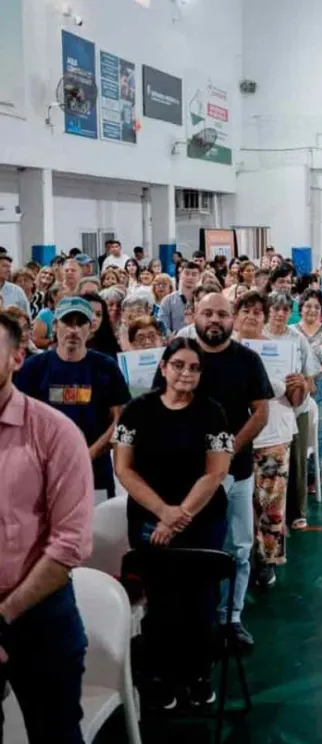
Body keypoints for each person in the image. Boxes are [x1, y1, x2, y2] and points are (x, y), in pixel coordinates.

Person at [113, 338, 233, 709]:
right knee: (161, 598)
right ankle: (161, 675)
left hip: (201, 519)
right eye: (179, 365)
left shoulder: (213, 413)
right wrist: (163, 512)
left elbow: (216, 473)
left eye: (194, 368)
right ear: (163, 368)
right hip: (151, 519)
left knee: (199, 600)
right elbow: (124, 468)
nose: (186, 373)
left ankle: (197, 673)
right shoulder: (137, 411)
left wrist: (179, 515)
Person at [0, 314, 93, 743]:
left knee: (53, 733)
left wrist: (4, 616)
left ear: (18, 357)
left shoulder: (55, 433)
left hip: (39, 617)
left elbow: (70, 544)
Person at [178, 293, 274, 647]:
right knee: (196, 546)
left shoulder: (247, 360)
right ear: (195, 316)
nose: (214, 320)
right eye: (207, 313)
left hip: (238, 472)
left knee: (239, 545)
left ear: (231, 317)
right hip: (191, 473)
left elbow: (260, 412)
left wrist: (229, 450)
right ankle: (197, 618)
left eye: (221, 313)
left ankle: (231, 617)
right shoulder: (182, 356)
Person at [17, 296, 131, 501]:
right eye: (68, 322)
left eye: (81, 324)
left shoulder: (106, 367)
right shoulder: (33, 368)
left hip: (94, 474)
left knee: (95, 530)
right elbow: (18, 419)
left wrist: (89, 454)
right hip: (43, 472)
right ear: (55, 325)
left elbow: (121, 419)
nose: (74, 330)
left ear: (91, 328)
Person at [236, 292, 303, 585]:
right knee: (240, 505)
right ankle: (241, 558)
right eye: (245, 311)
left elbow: (295, 400)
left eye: (257, 312)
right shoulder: (224, 351)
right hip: (235, 438)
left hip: (272, 436)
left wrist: (298, 386)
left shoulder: (281, 351)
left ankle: (267, 559)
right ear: (235, 316)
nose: (251, 316)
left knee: (271, 504)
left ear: (264, 318)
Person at [264, 292, 322, 530]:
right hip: (266, 410)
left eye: (285, 310)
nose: (280, 314)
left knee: (297, 460)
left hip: (296, 407)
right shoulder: (258, 337)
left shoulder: (297, 339)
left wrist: (299, 386)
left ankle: (297, 511)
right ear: (269, 310)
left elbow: (311, 380)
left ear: (290, 313)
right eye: (275, 309)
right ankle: (269, 511)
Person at [292, 288, 322, 471]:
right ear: (301, 308)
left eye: (316, 307)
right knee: (298, 429)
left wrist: (315, 373)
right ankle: (298, 469)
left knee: (320, 430)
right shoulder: (292, 332)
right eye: (308, 306)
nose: (312, 310)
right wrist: (306, 377)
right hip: (298, 386)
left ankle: (315, 471)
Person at [159, 262, 201, 335]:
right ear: (180, 275)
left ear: (199, 277)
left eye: (194, 274)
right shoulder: (168, 300)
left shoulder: (203, 300)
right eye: (187, 274)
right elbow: (163, 326)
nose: (190, 277)